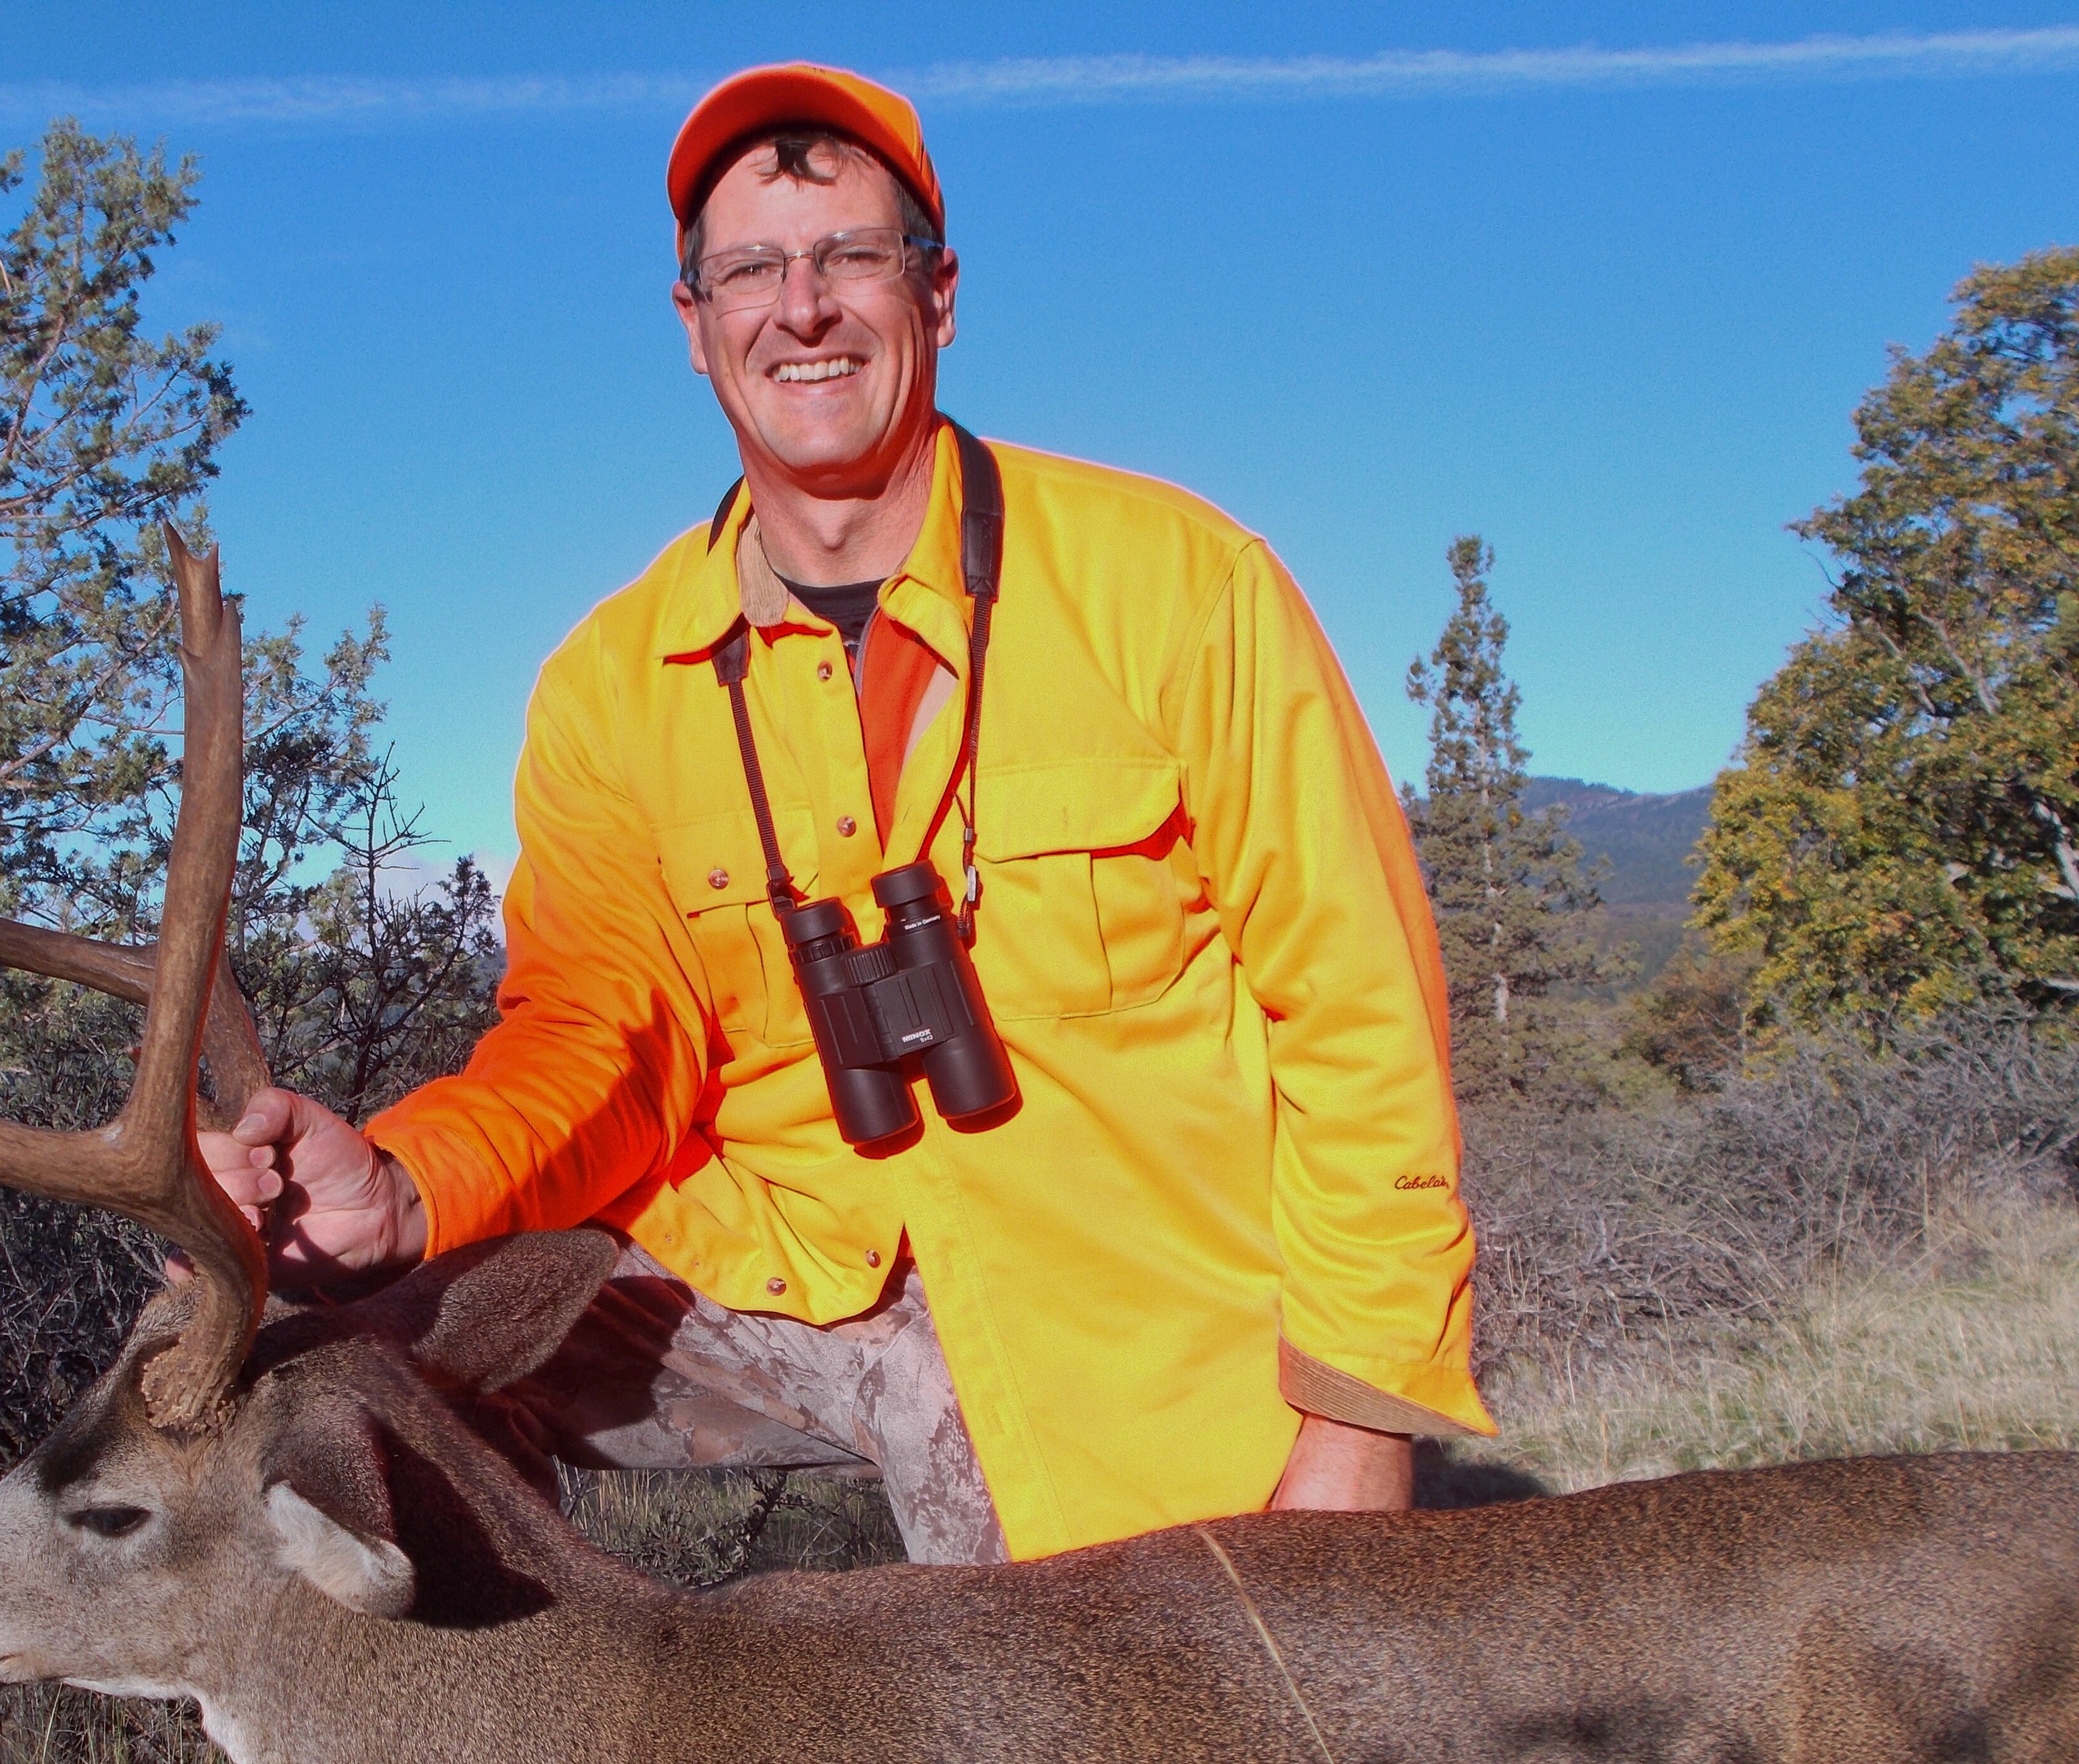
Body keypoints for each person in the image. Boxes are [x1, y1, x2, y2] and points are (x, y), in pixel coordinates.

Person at [199, 61, 1495, 1564]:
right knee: (317, 1354)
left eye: (850, 257)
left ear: (939, 296)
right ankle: (573, 1755)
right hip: (778, 1258)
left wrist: (1353, 1418)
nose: (799, 307)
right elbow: (596, 1031)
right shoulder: (612, 686)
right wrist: (410, 1186)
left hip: (1111, 1310)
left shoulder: (1180, 588)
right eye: (749, 268)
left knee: (1111, 1729)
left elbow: (1361, 1019)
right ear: (693, 329)